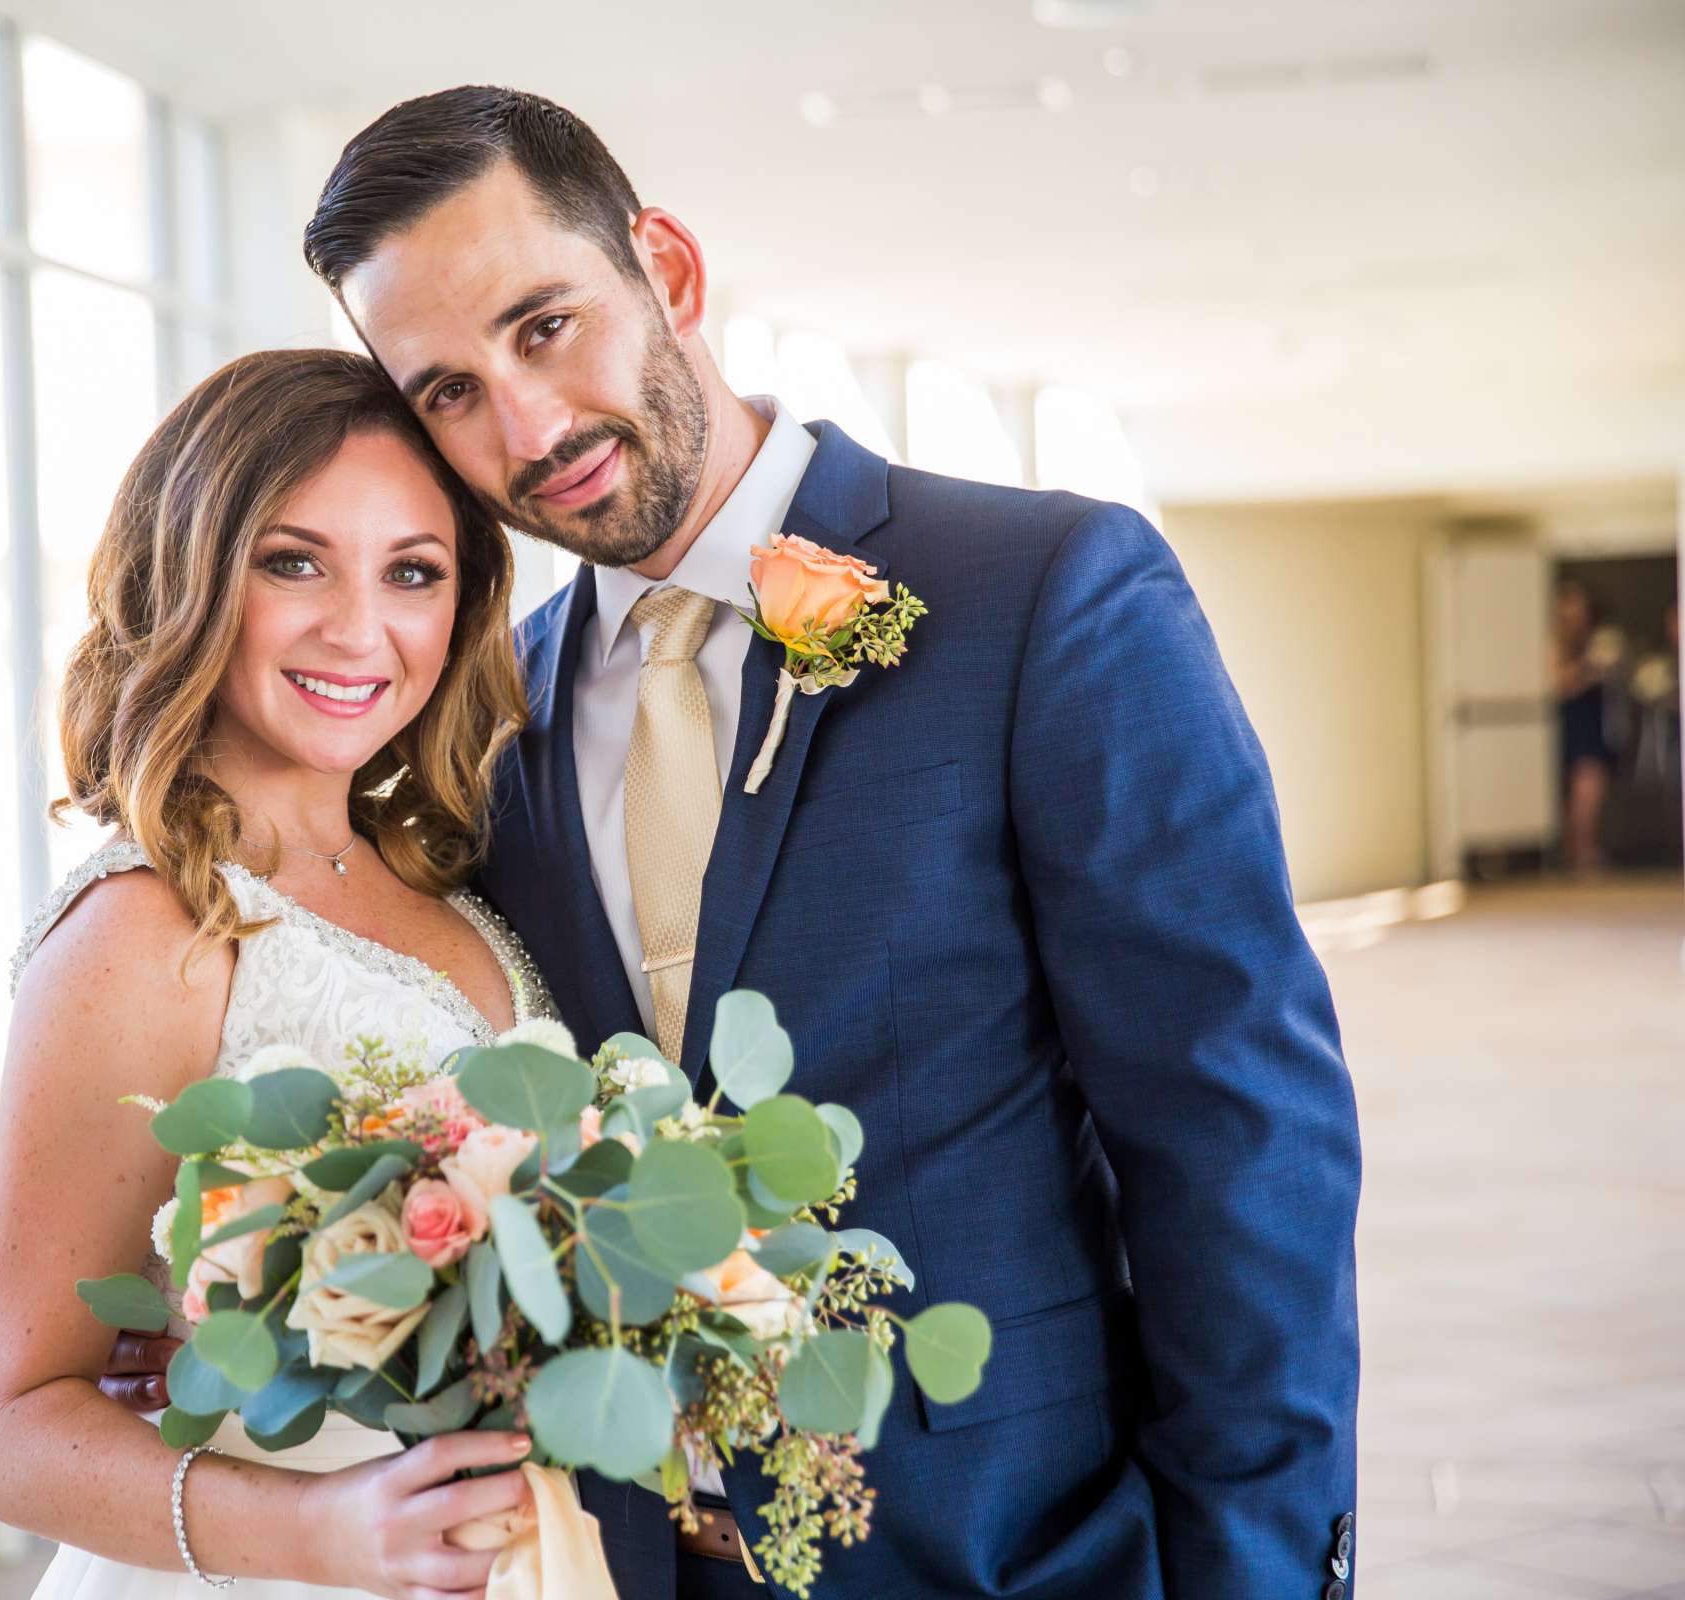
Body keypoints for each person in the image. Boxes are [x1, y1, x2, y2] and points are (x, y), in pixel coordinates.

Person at [295, 86, 1363, 1600]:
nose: (527, 429)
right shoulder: (483, 721)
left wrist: (1255, 1573)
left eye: (544, 327)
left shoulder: (1047, 592)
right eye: (449, 392)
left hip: (1029, 1553)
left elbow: (1238, 1133)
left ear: (666, 267)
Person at [0, 348, 558, 1600]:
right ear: (190, 575)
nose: (359, 625)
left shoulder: (445, 878)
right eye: (293, 561)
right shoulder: (144, 931)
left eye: (413, 572)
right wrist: (319, 1533)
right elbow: (7, 1427)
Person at [1553, 578, 1614, 875]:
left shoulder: (1593, 639)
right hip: (1569, 725)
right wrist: (1590, 667)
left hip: (1594, 723)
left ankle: (1584, 850)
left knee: (1591, 789)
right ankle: (1578, 854)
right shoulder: (1555, 644)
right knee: (1583, 790)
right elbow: (1558, 685)